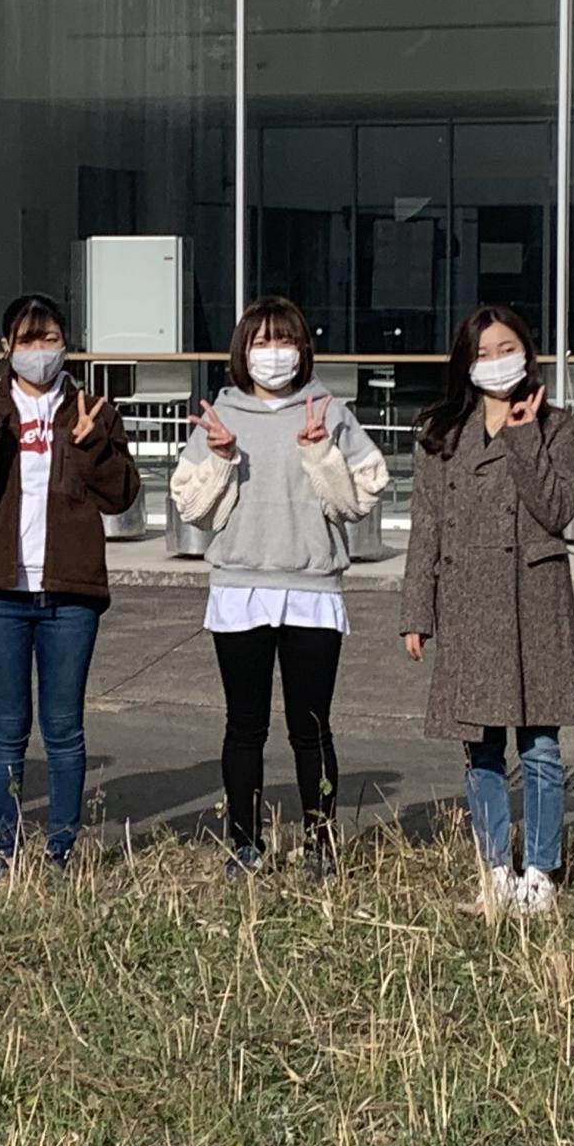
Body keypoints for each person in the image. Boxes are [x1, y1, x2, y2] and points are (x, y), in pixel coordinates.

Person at [172, 296, 387, 880]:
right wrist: (218, 458)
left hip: (313, 589)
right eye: (261, 342)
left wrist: (320, 450)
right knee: (244, 726)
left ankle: (321, 843)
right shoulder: (224, 412)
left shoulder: (328, 409)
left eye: (284, 340)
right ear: (243, 350)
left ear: (303, 347)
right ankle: (244, 843)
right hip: (240, 587)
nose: (273, 354)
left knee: (311, 728)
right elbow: (193, 509)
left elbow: (357, 501)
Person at [0, 294, 142, 878]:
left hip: (70, 593)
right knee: (6, 729)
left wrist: (92, 444)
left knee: (63, 728)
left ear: (66, 344)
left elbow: (122, 495)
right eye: (26, 341)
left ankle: (60, 850)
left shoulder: (90, 410)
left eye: (48, 338)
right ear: (5, 347)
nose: (38, 351)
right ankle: (3, 849)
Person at [401, 306, 574, 914]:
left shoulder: (558, 426)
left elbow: (556, 508)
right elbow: (425, 525)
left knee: (540, 746)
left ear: (527, 352)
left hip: (532, 598)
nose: (495, 361)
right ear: (466, 363)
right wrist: (416, 612)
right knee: (479, 747)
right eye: (482, 353)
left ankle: (540, 872)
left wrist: (522, 432)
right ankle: (494, 871)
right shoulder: (440, 431)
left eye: (506, 348)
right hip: (466, 601)